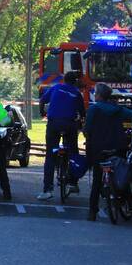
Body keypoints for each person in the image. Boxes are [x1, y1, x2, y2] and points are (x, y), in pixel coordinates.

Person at [83, 82, 132, 221]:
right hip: (118, 147)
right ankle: (128, 200)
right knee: (121, 173)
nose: (94, 95)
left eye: (95, 93)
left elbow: (87, 129)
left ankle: (92, 212)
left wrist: (88, 136)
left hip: (99, 148)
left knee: (97, 179)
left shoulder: (94, 109)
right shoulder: (118, 109)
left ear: (99, 95)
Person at [37, 70, 85, 200]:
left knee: (50, 155)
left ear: (64, 80)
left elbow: (42, 100)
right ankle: (73, 182)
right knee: (73, 152)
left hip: (54, 124)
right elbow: (82, 113)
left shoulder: (56, 87)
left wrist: (42, 113)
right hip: (70, 125)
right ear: (75, 82)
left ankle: (47, 190)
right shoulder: (77, 93)